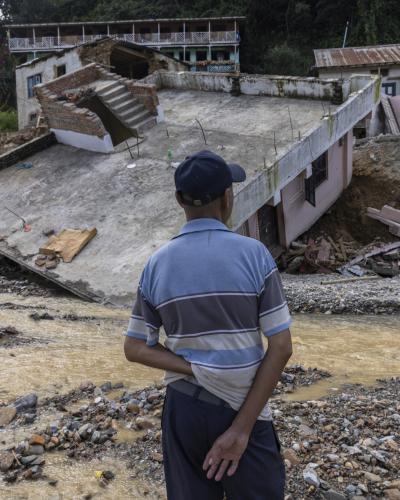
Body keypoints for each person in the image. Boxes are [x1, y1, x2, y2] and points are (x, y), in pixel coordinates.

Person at [124, 150, 293, 500]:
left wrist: (191, 367)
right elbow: (281, 346)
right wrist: (242, 430)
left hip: (185, 408)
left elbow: (135, 347)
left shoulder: (156, 264)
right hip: (243, 405)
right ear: (227, 198)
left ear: (178, 200)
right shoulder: (254, 254)